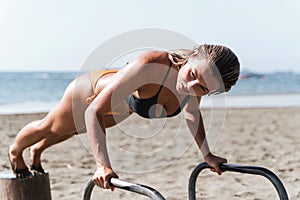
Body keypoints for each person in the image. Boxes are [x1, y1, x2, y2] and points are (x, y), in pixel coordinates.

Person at [8, 44, 240, 191]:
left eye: (202, 88)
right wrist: (103, 166)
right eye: (192, 75)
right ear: (191, 57)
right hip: (88, 93)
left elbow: (191, 112)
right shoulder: (149, 65)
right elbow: (93, 111)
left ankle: (37, 151)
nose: (190, 86)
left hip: (120, 110)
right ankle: (15, 152)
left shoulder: (196, 85)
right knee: (50, 127)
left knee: (72, 131)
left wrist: (207, 154)